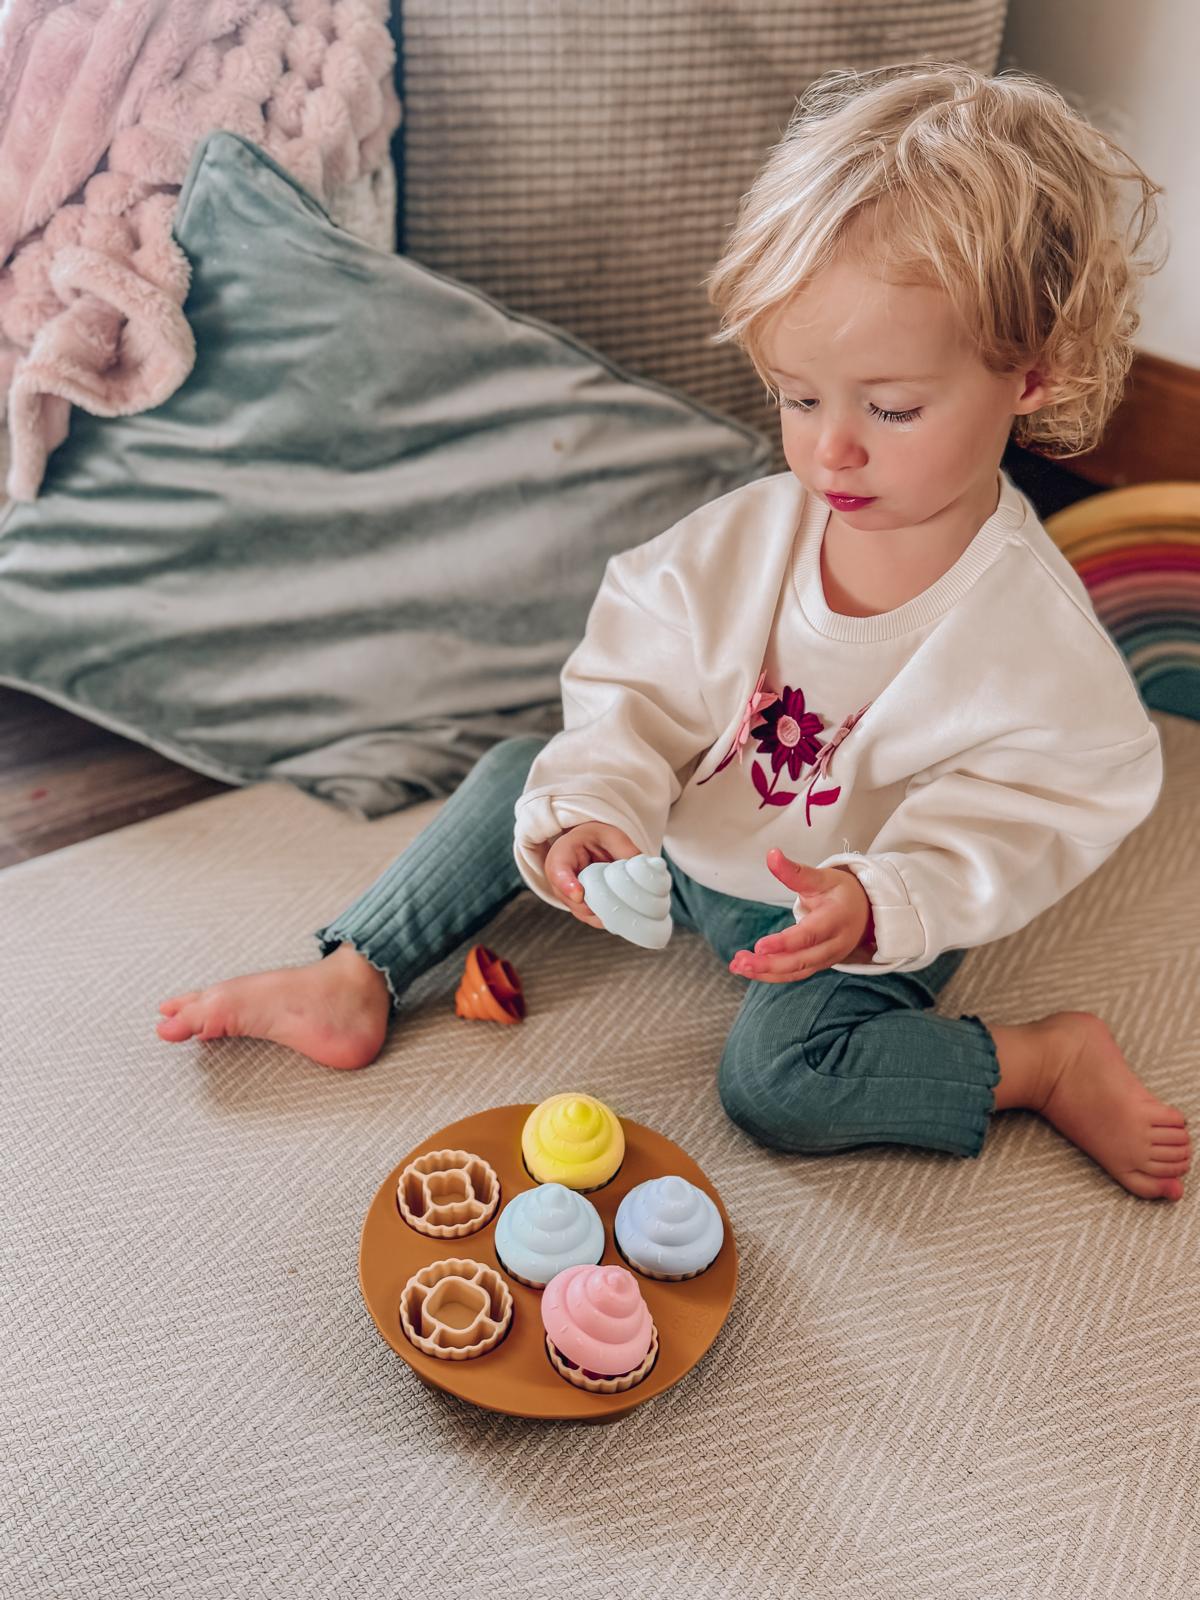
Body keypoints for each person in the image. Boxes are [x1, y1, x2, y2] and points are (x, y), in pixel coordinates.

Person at [157, 61, 1191, 1201]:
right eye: (801, 397)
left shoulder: (1025, 633)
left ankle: (1041, 1060)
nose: (830, 450)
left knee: (777, 1085)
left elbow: (1054, 796)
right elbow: (633, 684)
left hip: (836, 908)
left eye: (890, 408)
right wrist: (599, 812)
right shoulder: (752, 537)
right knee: (520, 774)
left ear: (1030, 374)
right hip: (692, 844)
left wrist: (878, 899)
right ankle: (356, 972)